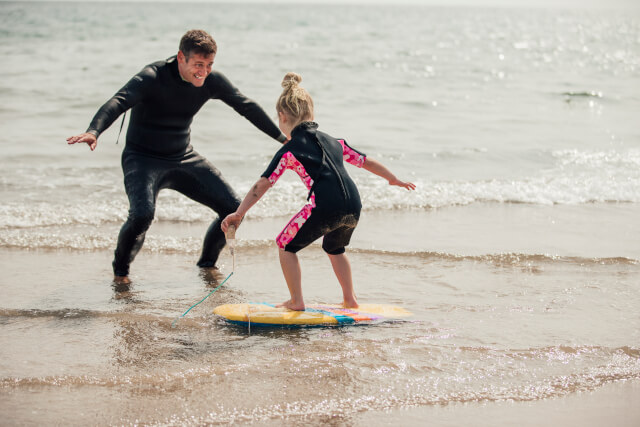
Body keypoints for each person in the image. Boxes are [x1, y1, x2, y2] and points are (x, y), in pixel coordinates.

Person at [67, 29, 287, 283]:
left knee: (232, 208)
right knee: (141, 215)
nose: (204, 71)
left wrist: (283, 139)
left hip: (183, 157)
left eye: (209, 65)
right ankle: (120, 273)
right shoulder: (152, 77)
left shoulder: (211, 81)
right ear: (181, 57)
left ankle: (207, 266)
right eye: (198, 64)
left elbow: (245, 106)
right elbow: (119, 101)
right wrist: (94, 131)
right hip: (142, 159)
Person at [221, 72, 416, 311]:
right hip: (354, 205)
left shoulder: (290, 150)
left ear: (282, 117)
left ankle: (296, 301)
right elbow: (365, 161)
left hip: (324, 205)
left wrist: (239, 214)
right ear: (312, 113)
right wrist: (393, 179)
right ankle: (350, 300)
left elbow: (262, 184)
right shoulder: (335, 142)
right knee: (335, 249)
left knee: (285, 245)